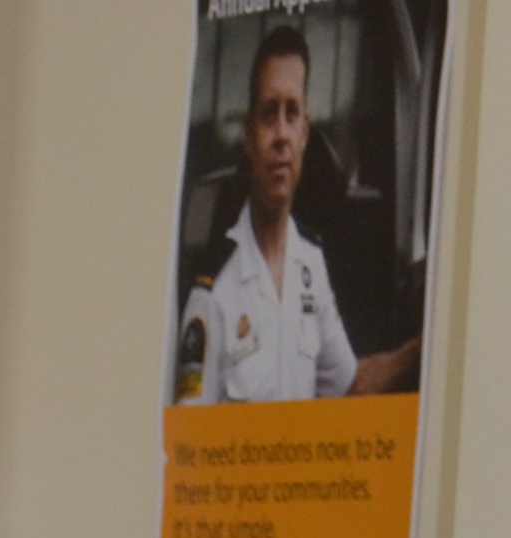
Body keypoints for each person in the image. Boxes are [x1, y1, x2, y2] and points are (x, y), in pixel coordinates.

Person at [178, 20, 420, 403]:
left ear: (305, 133)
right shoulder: (212, 293)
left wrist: (423, 350)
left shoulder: (310, 265)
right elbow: (188, 449)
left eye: (292, 113)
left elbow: (349, 385)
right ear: (248, 137)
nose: (281, 135)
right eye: (268, 113)